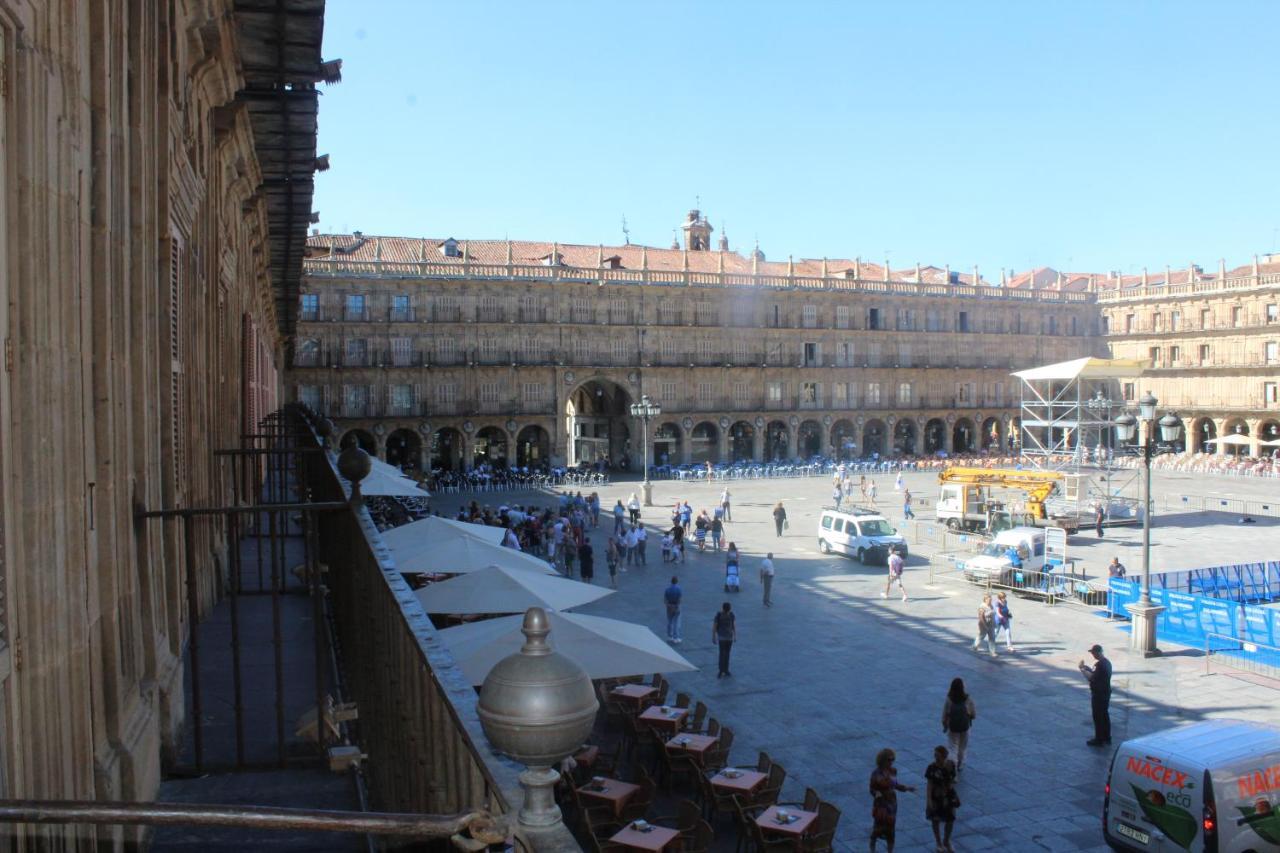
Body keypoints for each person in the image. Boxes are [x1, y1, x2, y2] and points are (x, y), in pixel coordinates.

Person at [869, 748, 915, 852]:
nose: (891, 762)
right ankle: (872, 849)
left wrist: (907, 788)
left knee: (890, 829)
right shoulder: (876, 773)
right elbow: (871, 789)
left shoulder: (893, 771)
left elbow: (895, 785)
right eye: (889, 759)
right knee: (877, 828)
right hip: (881, 804)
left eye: (893, 759)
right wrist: (876, 793)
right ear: (883, 760)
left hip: (891, 804)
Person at [925, 745, 959, 852]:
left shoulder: (951, 765)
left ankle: (946, 840)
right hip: (936, 796)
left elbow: (953, 779)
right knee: (935, 820)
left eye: (938, 756)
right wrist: (929, 800)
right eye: (935, 755)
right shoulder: (931, 768)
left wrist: (951, 787)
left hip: (948, 796)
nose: (936, 758)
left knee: (950, 819)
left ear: (945, 756)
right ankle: (938, 842)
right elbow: (929, 785)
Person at [1080, 643, 1112, 746]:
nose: (1092, 655)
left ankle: (1099, 739)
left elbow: (1091, 677)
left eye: (1093, 653)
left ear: (1098, 653)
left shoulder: (1100, 665)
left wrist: (1083, 670)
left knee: (1098, 716)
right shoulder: (1107, 663)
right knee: (1104, 715)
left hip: (1099, 694)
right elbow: (1095, 674)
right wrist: (1088, 668)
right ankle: (1107, 736)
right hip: (1105, 692)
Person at [941, 677, 976, 771]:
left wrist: (944, 725)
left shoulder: (949, 699)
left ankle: (953, 765)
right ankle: (960, 763)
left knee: (953, 747)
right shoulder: (967, 699)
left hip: (953, 727)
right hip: (965, 727)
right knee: (962, 747)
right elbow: (973, 714)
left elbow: (944, 714)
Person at [712, 602, 736, 678]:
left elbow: (714, 626)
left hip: (722, 637)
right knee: (727, 654)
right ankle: (726, 670)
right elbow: (734, 626)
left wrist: (713, 637)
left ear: (722, 608)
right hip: (729, 638)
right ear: (730, 609)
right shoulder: (731, 615)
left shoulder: (719, 615)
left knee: (722, 654)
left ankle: (721, 670)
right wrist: (735, 636)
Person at [663, 576, 683, 644]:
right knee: (676, 622)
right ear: (677, 581)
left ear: (671, 581)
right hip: (676, 606)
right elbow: (679, 599)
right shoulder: (679, 589)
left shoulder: (667, 589)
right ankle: (676, 637)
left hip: (669, 606)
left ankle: (669, 636)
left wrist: (668, 605)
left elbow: (665, 600)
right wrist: (677, 606)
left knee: (669, 621)